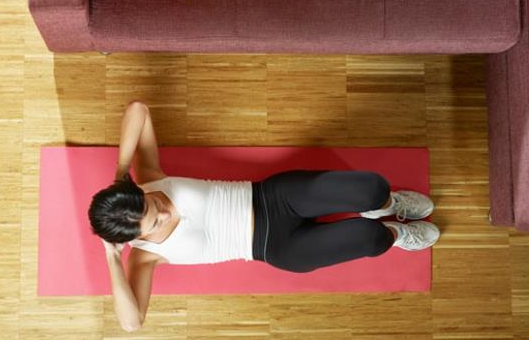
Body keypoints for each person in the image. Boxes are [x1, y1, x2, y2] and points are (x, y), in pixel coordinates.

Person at [88, 100, 440, 332]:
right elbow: (132, 324)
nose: (163, 209)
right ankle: (395, 232)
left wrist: (121, 172)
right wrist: (112, 257)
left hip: (273, 197)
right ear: (133, 238)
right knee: (372, 239)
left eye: (153, 203)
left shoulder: (148, 179)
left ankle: (388, 205)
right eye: (154, 221)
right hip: (279, 248)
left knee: (373, 188)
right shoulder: (145, 257)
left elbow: (138, 109)